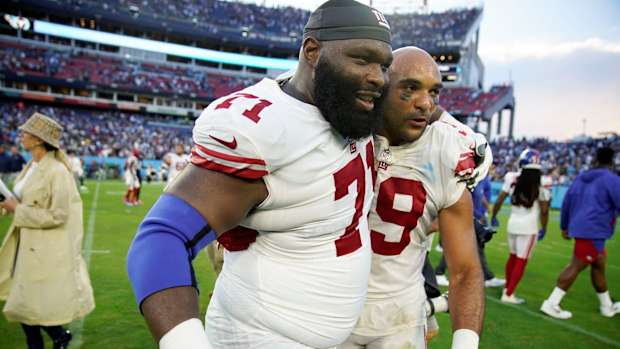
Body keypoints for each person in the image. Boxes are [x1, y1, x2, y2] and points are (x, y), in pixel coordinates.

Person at [126, 1, 393, 348]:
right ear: (312, 51)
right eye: (361, 59)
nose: (377, 77)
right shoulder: (266, 129)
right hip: (260, 337)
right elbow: (161, 238)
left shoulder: (348, 107)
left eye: (384, 65)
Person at [339, 47, 485, 349]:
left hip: (400, 317)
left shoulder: (448, 152)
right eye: (410, 88)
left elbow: (465, 270)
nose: (426, 104)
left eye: (434, 92)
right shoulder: (337, 136)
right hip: (329, 311)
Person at [0, 112, 95, 349]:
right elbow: (23, 199)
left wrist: (17, 209)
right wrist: (8, 204)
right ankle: (58, 337)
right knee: (24, 306)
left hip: (44, 249)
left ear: (39, 138)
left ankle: (57, 337)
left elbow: (59, 215)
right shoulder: (32, 165)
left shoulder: (57, 171)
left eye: (26, 132)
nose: (20, 134)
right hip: (27, 244)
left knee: (27, 306)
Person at [540, 147, 620, 319]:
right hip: (595, 229)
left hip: (581, 227)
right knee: (577, 264)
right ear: (612, 161)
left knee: (598, 264)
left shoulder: (580, 178)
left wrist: (564, 226)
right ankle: (551, 303)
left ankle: (607, 306)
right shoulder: (612, 180)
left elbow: (567, 202)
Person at [490, 148, 550, 304]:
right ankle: (509, 294)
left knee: (512, 257)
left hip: (513, 223)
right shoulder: (543, 182)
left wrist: (494, 216)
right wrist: (544, 227)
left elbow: (499, 200)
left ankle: (507, 289)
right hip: (529, 227)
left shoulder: (511, 178)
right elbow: (544, 211)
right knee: (521, 260)